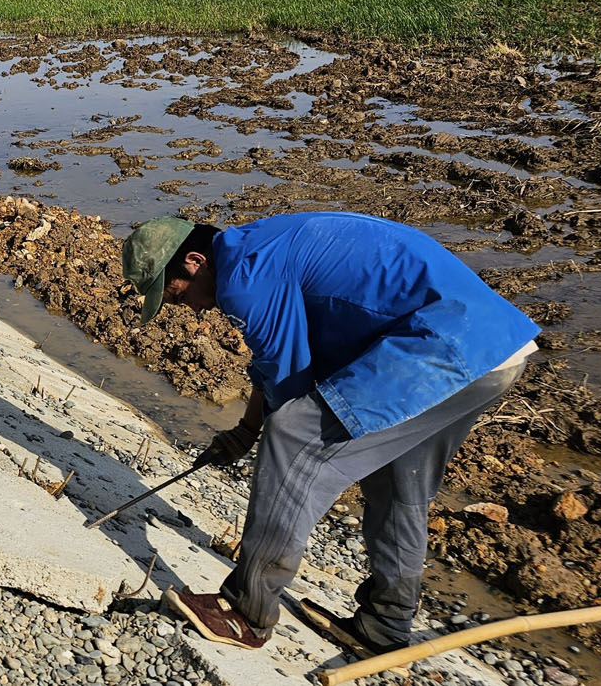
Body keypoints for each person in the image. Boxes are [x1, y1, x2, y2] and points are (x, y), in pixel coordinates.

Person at [121, 212, 537, 653]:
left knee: (294, 434)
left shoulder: (244, 274)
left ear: (193, 261)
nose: (189, 308)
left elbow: (291, 383)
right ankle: (386, 626)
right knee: (398, 480)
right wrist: (245, 429)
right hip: (493, 351)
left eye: (175, 293)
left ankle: (246, 611)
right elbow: (276, 359)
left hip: (440, 344)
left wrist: (268, 432)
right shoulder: (258, 246)